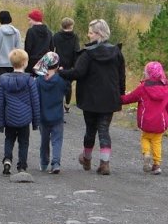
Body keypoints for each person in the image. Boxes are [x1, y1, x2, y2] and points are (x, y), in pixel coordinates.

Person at [59, 19, 126, 175]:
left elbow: (77, 73)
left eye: (90, 32)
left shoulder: (88, 54)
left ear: (98, 34)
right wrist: (121, 95)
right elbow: (121, 76)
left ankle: (87, 158)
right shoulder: (116, 52)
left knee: (90, 130)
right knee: (104, 130)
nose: (88, 35)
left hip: (90, 98)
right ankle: (105, 163)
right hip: (110, 98)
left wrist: (60, 72)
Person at [122, 61, 168, 175]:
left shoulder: (143, 88)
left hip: (146, 122)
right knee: (157, 141)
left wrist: (118, 98)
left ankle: (146, 154)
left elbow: (129, 98)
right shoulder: (166, 88)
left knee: (145, 138)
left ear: (148, 73)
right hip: (160, 122)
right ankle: (156, 165)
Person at [0, 48, 39, 175]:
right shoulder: (29, 81)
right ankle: (22, 166)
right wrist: (36, 122)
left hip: (9, 117)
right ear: (25, 63)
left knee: (9, 139)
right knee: (24, 142)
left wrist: (1, 123)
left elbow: (0, 103)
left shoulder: (3, 81)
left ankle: (7, 159)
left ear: (11, 63)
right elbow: (35, 102)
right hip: (24, 119)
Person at [34, 52, 68, 173]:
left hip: (42, 116)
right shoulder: (61, 81)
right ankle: (56, 163)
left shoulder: (38, 81)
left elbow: (35, 98)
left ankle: (44, 162)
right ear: (57, 65)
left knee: (44, 141)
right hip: (57, 116)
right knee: (57, 140)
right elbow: (67, 90)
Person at [51, 17, 80, 113]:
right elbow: (77, 51)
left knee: (58, 83)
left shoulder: (56, 36)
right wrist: (75, 65)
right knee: (68, 85)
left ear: (62, 26)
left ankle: (57, 103)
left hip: (58, 64)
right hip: (70, 65)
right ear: (71, 26)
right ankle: (67, 104)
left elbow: (52, 49)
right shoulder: (75, 37)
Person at [0, 10, 21, 77]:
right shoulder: (16, 32)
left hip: (1, 62)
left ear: (0, 19)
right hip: (13, 62)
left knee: (3, 83)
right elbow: (19, 48)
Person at [23, 8, 53, 75]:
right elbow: (51, 48)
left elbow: (28, 48)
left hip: (32, 62)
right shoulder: (49, 32)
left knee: (32, 83)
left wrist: (25, 61)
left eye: (30, 20)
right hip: (44, 62)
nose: (29, 22)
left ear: (34, 19)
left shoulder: (31, 31)